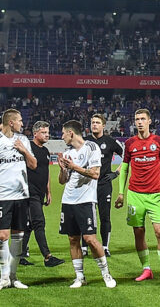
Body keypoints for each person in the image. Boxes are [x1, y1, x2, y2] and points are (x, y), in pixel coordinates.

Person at [0, 109, 40, 291]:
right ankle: (3, 277)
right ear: (11, 122)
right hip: (2, 196)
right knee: (2, 236)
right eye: (20, 120)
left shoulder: (23, 140)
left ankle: (13, 277)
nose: (22, 123)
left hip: (21, 196)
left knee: (18, 237)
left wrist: (24, 150)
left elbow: (33, 164)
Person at [115, 108, 160, 282]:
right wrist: (121, 193)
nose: (139, 122)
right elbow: (124, 169)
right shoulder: (129, 143)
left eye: (142, 119)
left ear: (149, 121)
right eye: (137, 119)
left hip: (155, 194)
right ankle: (146, 269)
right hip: (135, 195)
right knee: (138, 232)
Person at [57, 120, 116, 288]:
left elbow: (95, 174)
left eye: (63, 133)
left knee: (90, 239)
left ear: (71, 133)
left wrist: (74, 167)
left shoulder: (91, 147)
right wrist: (63, 169)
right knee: (73, 239)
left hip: (85, 201)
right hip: (68, 200)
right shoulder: (68, 153)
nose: (62, 137)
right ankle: (80, 277)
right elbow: (62, 181)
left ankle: (106, 274)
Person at [21, 122, 63, 267]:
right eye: (44, 133)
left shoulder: (45, 151)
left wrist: (48, 191)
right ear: (35, 134)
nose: (47, 135)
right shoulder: (28, 148)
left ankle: (20, 255)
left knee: (29, 225)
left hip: (39, 194)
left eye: (47, 132)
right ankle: (47, 257)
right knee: (39, 222)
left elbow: (46, 172)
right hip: (29, 192)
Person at [87, 114, 125, 255]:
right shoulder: (85, 142)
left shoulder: (110, 142)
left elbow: (127, 158)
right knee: (87, 216)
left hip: (104, 185)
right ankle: (85, 247)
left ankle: (104, 247)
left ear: (103, 126)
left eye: (97, 122)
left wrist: (116, 173)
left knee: (104, 217)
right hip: (88, 185)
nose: (94, 125)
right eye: (93, 122)